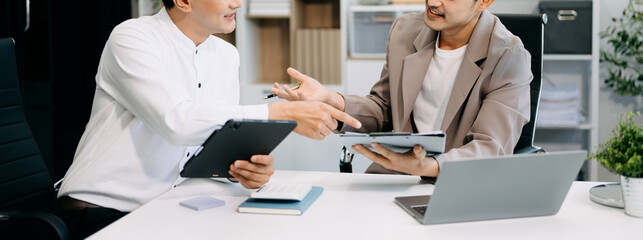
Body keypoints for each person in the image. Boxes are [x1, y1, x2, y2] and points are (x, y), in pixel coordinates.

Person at [55, 0, 361, 238]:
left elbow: (213, 139)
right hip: (104, 211)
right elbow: (177, 122)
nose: (238, 3)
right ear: (184, 1)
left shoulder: (226, 55)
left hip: (171, 207)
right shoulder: (133, 38)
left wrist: (240, 169)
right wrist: (278, 113)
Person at [271, 0, 531, 177]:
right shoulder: (406, 30)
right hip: (393, 177)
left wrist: (426, 167)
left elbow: (490, 148)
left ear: (484, 2)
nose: (433, 2)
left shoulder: (508, 55)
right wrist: (330, 99)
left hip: (458, 183)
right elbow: (384, 110)